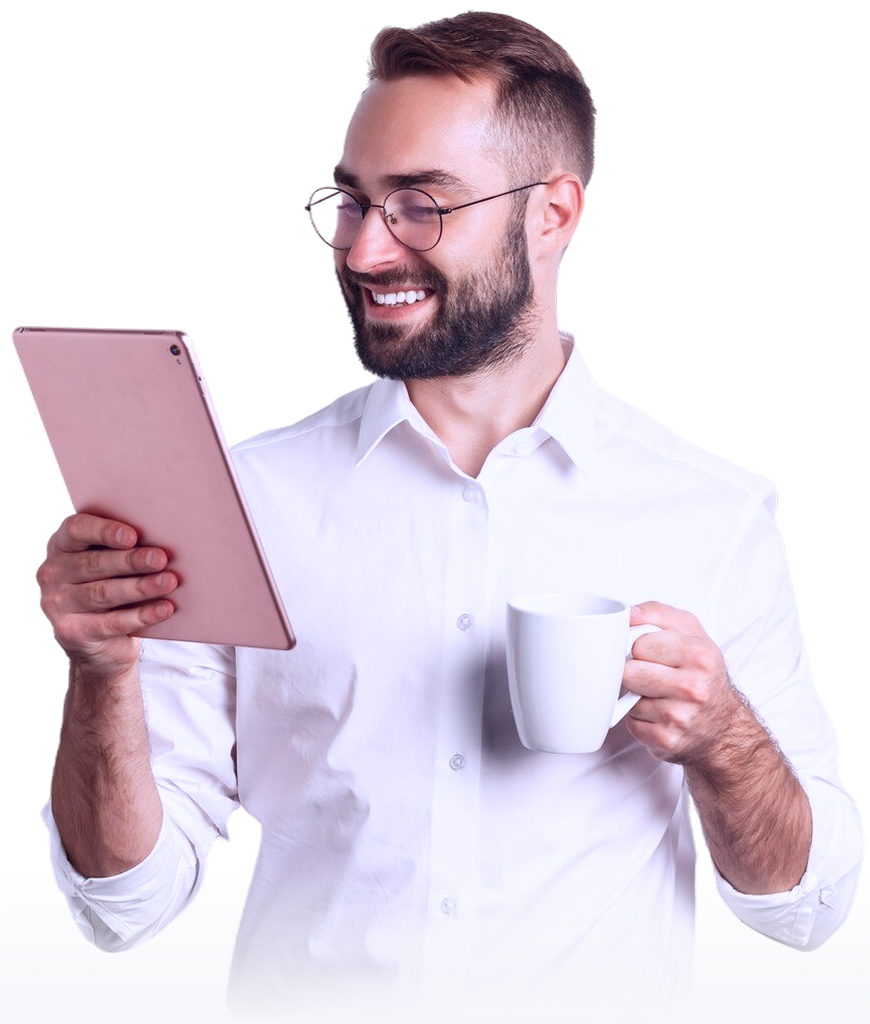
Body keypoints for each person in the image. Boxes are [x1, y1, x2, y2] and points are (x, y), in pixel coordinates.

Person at [37, 12, 862, 1024]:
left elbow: (808, 910)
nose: (364, 248)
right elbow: (121, 904)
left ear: (552, 213)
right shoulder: (248, 498)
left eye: (420, 205)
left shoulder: (711, 510)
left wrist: (725, 740)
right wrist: (101, 674)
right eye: (350, 201)